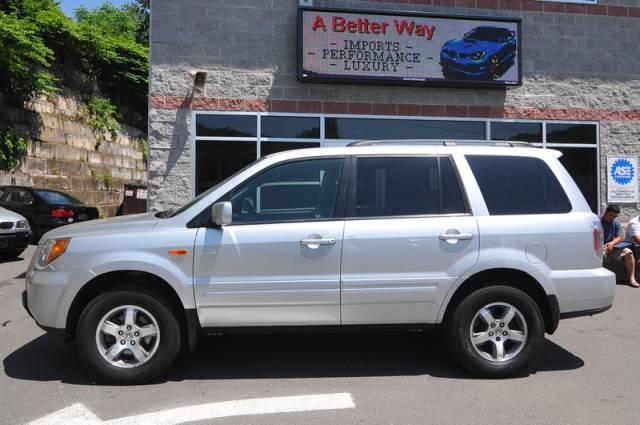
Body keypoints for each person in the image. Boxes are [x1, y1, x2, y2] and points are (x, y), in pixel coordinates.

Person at [601, 204, 639, 288]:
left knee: (628, 252)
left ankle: (632, 279)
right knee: (601, 253)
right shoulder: (597, 221)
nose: (612, 218)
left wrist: (612, 243)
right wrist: (602, 245)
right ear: (605, 212)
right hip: (599, 247)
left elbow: (620, 237)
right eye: (611, 215)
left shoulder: (616, 222)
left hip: (612, 247)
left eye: (615, 216)